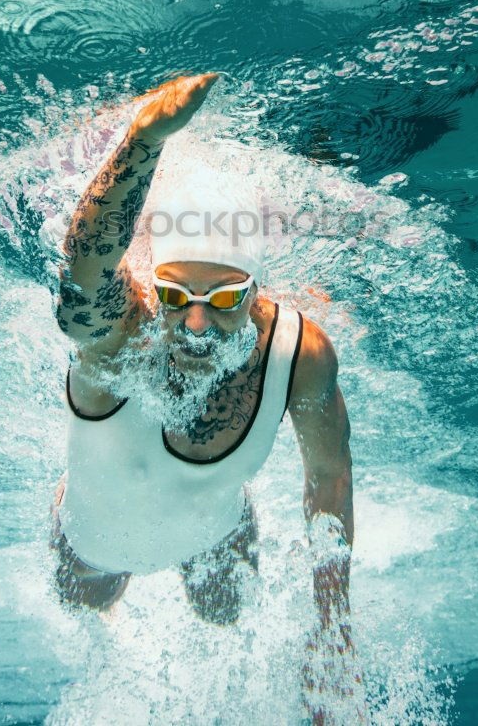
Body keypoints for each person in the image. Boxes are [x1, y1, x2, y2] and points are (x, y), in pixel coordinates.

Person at [49, 72, 360, 719]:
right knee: (87, 598)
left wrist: (332, 630)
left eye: (220, 302)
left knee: (226, 610)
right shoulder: (121, 339)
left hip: (217, 530)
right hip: (96, 536)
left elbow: (328, 477)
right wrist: (143, 138)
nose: (195, 324)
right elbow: (81, 283)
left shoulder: (298, 355)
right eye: (175, 298)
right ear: (152, 289)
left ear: (254, 292)